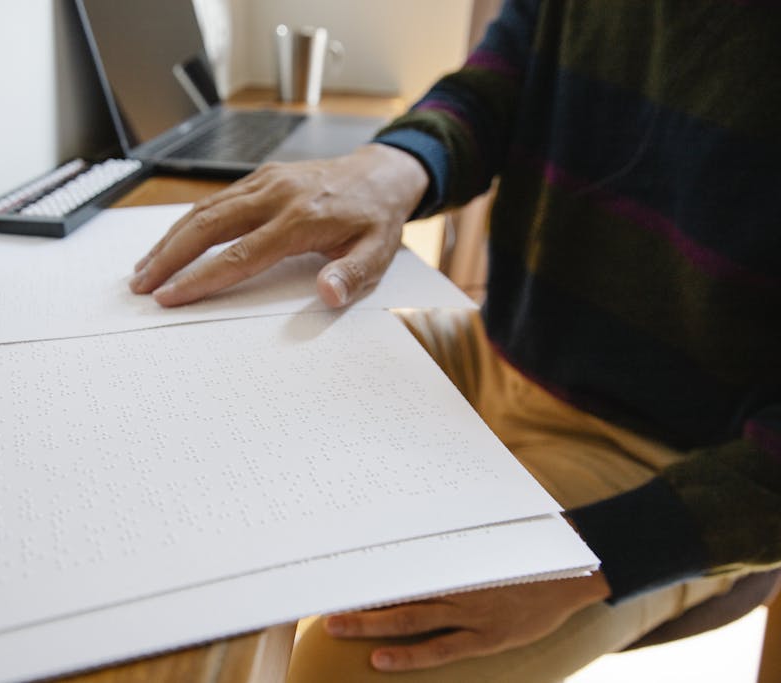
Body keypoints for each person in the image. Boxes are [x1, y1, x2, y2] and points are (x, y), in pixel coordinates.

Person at [130, 0, 781, 680]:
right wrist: (393, 164)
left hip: (671, 455)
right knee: (208, 379)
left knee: (348, 665)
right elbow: (496, 84)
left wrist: (600, 556)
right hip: (493, 349)